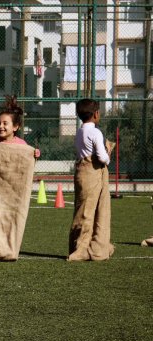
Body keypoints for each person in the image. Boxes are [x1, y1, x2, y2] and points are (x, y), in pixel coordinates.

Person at [68, 98, 114, 261]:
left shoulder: (80, 131)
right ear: (95, 114)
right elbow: (101, 157)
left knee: (82, 209)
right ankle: (87, 248)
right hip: (93, 173)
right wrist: (108, 155)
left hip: (81, 172)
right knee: (91, 212)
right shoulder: (95, 132)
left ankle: (77, 245)